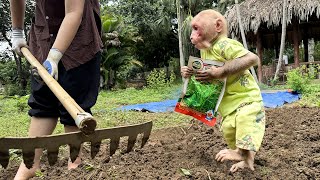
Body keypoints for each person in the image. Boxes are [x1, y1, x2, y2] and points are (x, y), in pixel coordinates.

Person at [10, 0, 103, 179]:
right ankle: (28, 165)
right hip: (44, 36)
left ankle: (74, 167)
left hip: (79, 42)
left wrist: (54, 57)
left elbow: (74, 13)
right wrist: (17, 31)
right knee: (43, 102)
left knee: (73, 107)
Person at [181, 9, 266, 173]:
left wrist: (221, 71)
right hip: (227, 106)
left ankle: (242, 154)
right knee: (229, 130)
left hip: (246, 99)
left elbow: (252, 58)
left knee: (245, 121)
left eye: (196, 29)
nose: (192, 35)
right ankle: (247, 161)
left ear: (217, 26)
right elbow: (208, 75)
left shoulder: (224, 45)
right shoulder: (205, 51)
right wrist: (189, 73)